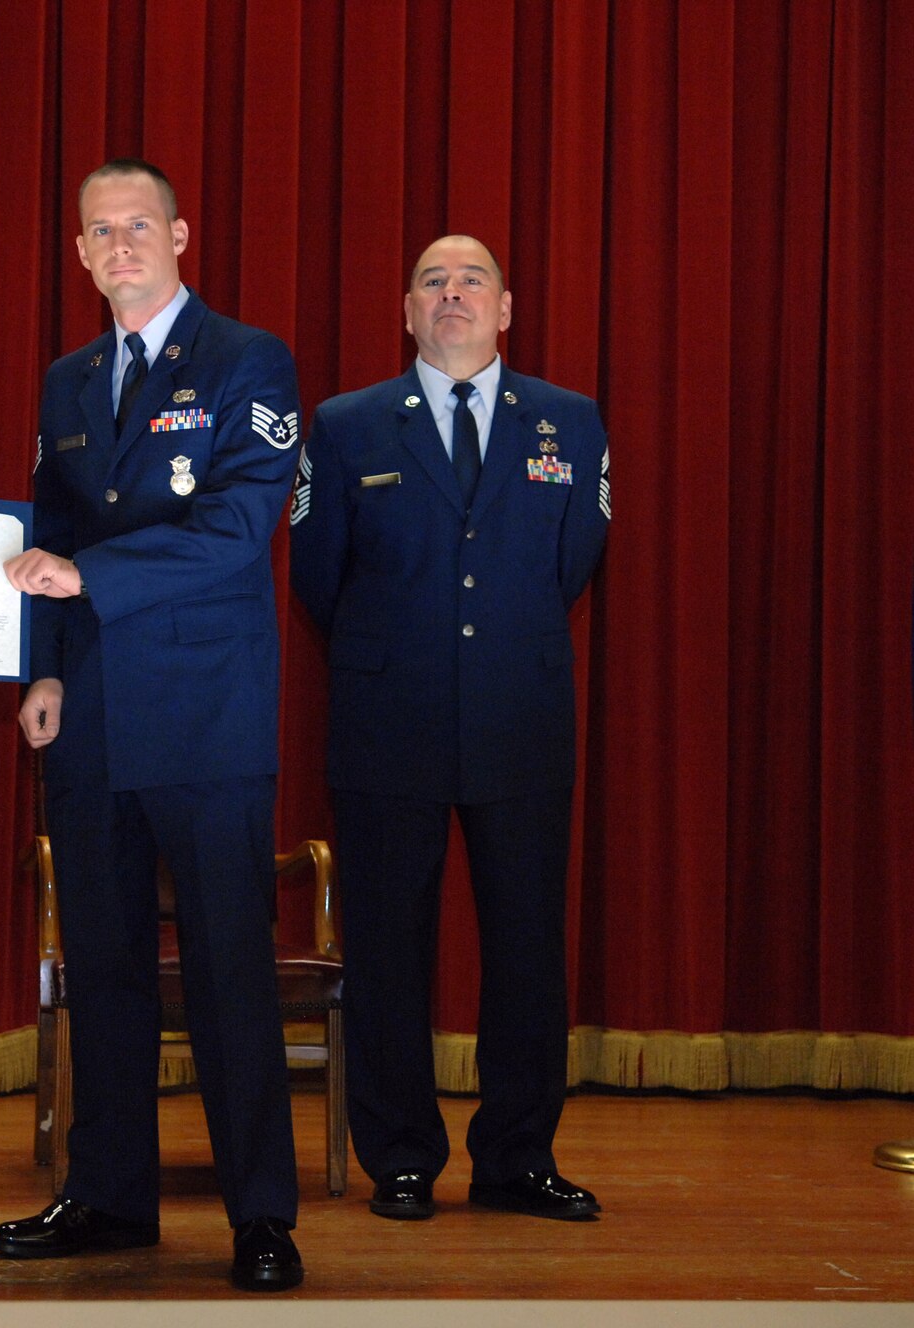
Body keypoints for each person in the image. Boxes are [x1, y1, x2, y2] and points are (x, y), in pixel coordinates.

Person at [0, 158, 305, 1292]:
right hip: (86, 718)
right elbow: (41, 532)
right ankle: (109, 1193)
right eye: (98, 232)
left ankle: (260, 1213)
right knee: (104, 966)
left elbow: (237, 524)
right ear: (78, 254)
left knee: (228, 971)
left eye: (138, 225)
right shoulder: (67, 380)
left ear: (179, 234)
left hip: (205, 718)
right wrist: (38, 670)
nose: (119, 245)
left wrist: (85, 577)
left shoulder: (245, 358)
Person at [289, 235, 611, 1224]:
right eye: (432, 280)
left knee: (525, 948)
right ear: (406, 310)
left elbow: (573, 564)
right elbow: (316, 579)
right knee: (387, 948)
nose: (453, 293)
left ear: (505, 308)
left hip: (518, 718)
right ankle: (398, 1154)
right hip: (390, 720)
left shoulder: (568, 421)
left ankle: (517, 1155)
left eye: (472, 279)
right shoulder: (346, 427)